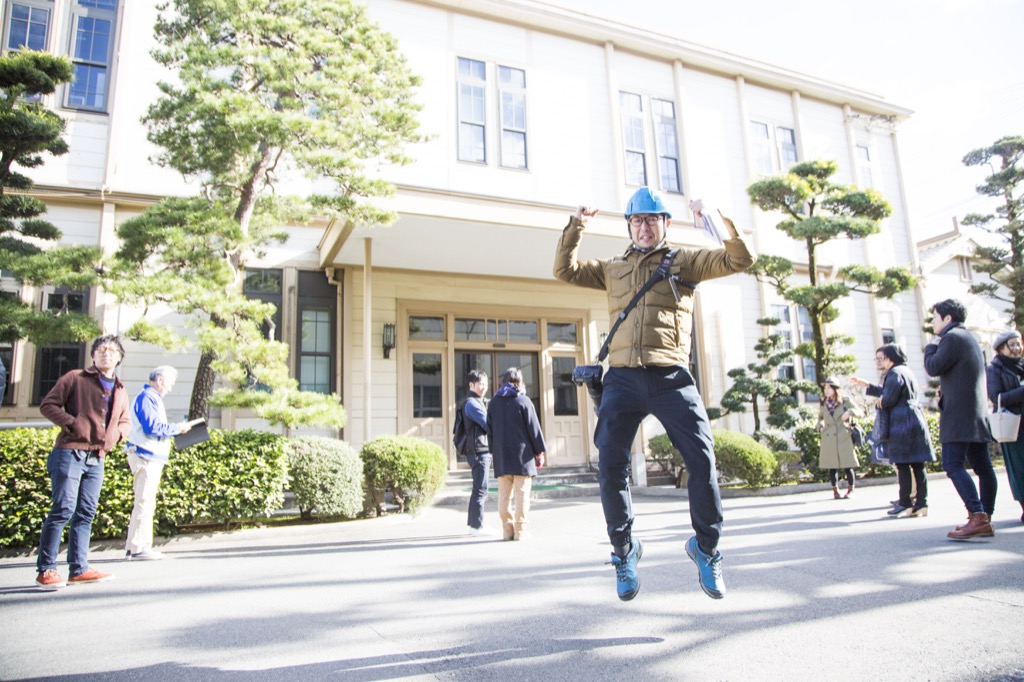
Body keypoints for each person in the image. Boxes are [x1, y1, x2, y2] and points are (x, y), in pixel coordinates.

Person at [553, 187, 755, 601]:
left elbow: (740, 259)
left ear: (665, 223)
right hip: (622, 379)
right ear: (629, 226)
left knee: (702, 459)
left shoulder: (685, 261)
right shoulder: (612, 269)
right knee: (610, 466)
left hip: (671, 377)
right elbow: (565, 270)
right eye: (637, 220)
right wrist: (577, 225)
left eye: (652, 219)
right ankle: (624, 551)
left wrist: (717, 216)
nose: (644, 227)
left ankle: (707, 547)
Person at [35, 335, 130, 590]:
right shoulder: (75, 378)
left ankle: (79, 568)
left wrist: (116, 436)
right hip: (70, 452)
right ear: (93, 356)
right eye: (100, 350)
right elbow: (48, 405)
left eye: (111, 351)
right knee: (63, 509)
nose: (106, 354)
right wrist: (72, 422)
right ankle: (46, 569)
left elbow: (125, 421)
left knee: (86, 513)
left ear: (119, 357)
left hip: (97, 457)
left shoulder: (120, 389)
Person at [923, 299, 997, 540]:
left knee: (953, 465)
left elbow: (933, 366)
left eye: (935, 317)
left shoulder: (951, 338)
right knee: (984, 467)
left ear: (947, 319)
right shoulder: (969, 338)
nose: (933, 322)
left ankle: (977, 516)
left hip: (959, 415)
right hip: (974, 412)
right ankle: (984, 517)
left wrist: (931, 346)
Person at [852, 344, 935, 517]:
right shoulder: (905, 371)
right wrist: (869, 386)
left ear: (891, 357)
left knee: (902, 463)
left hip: (901, 421)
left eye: (881, 358)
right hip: (914, 418)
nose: (878, 361)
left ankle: (905, 502)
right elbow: (889, 391)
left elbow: (888, 397)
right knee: (918, 465)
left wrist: (879, 402)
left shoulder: (894, 373)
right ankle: (921, 503)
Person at [125, 366, 192, 560]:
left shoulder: (150, 397)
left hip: (148, 455)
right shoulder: (148, 397)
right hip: (146, 456)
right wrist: (178, 428)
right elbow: (153, 427)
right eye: (170, 383)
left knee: (144, 501)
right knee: (145, 502)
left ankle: (134, 546)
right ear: (160, 380)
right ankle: (139, 548)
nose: (170, 388)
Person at [486, 367, 546, 541]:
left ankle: (507, 530)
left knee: (504, 496)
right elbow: (534, 429)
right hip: (523, 457)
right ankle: (520, 531)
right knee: (522, 496)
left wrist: (493, 450)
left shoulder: (494, 403)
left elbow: (490, 431)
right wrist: (539, 453)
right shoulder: (524, 401)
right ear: (520, 382)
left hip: (502, 457)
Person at [986, 329, 1024, 523]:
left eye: (1019, 344)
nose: (1017, 349)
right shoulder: (995, 369)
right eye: (1012, 345)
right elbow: (996, 397)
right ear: (1002, 348)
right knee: (1019, 467)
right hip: (1013, 426)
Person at [459, 369, 493, 536]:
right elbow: (488, 423)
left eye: (485, 384)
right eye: (480, 384)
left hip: (478, 450)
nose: (483, 387)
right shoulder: (472, 403)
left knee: (478, 489)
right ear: (471, 384)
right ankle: (477, 526)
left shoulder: (478, 401)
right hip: (479, 451)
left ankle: (473, 525)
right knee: (481, 489)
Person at [817, 377, 858, 499]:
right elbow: (819, 418)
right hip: (829, 436)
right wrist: (819, 426)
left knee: (847, 464)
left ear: (835, 389)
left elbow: (859, 411)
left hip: (843, 435)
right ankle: (835, 490)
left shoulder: (845, 401)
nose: (827, 390)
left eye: (829, 388)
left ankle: (851, 489)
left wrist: (850, 412)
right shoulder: (824, 403)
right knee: (832, 465)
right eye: (825, 388)